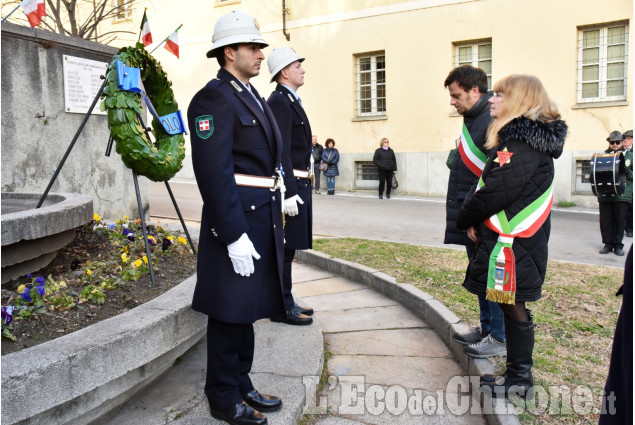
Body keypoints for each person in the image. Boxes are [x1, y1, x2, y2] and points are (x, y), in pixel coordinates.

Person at [187, 10, 285, 425]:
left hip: (260, 216)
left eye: (260, 47)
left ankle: (241, 382)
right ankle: (223, 396)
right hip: (236, 221)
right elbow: (213, 171)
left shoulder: (249, 94)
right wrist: (231, 234)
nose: (261, 54)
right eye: (253, 47)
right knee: (229, 311)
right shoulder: (214, 97)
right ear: (230, 52)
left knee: (246, 309)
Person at [457, 74, 567, 398]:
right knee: (510, 305)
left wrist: (466, 216)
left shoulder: (520, 145)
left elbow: (495, 192)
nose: (492, 99)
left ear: (518, 101)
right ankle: (517, 376)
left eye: (500, 95)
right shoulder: (517, 141)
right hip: (516, 245)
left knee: (514, 306)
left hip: (516, 244)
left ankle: (521, 380)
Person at [443, 65, 506, 359]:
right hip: (471, 211)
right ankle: (486, 327)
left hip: (485, 216)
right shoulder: (474, 118)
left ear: (474, 91)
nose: (453, 102)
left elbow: (495, 176)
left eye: (456, 96)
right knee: (480, 275)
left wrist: (476, 215)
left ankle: (498, 335)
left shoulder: (493, 120)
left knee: (492, 277)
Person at [266, 46, 314, 326]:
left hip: (298, 182)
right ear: (285, 72)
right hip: (291, 185)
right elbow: (280, 149)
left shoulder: (290, 100)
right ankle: (282, 305)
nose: (302, 70)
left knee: (290, 248)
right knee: (284, 250)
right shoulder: (279, 102)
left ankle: (287, 299)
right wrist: (290, 192)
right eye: (298, 66)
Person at [597, 131, 630, 256]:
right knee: (605, 221)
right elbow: (596, 172)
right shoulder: (602, 156)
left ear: (622, 142)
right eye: (612, 142)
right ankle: (607, 244)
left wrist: (628, 173)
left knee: (620, 220)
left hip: (622, 194)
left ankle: (618, 245)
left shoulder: (629, 156)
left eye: (618, 142)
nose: (615, 145)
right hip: (606, 194)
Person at [622, 129, 633, 237]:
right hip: (620, 185)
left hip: (631, 186)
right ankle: (621, 227)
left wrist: (629, 173)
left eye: (628, 139)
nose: (625, 141)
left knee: (630, 209)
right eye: (624, 138)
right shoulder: (620, 152)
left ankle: (630, 228)